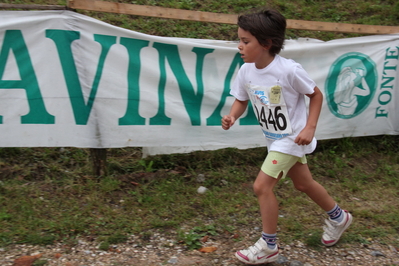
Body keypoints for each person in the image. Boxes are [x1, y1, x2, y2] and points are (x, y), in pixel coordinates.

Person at [221, 8, 353, 265]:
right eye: (239, 40)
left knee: (261, 186)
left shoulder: (289, 70)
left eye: (245, 41)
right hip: (274, 139)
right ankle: (339, 217)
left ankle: (268, 245)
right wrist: (232, 116)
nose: (239, 46)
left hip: (293, 139)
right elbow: (241, 98)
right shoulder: (246, 71)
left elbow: (315, 95)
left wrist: (310, 128)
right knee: (304, 184)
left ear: (267, 43)